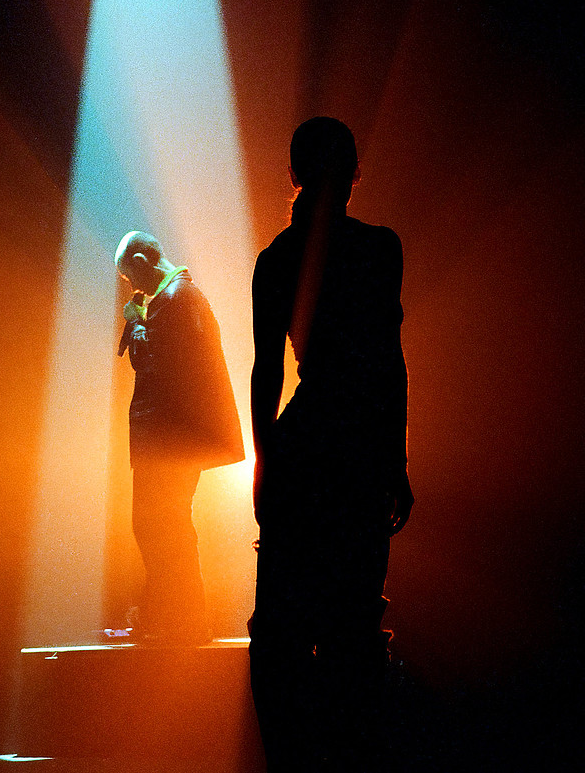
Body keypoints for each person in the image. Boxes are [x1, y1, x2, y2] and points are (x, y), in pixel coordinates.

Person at [248, 117, 414, 771]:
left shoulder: (276, 260)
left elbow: (266, 372)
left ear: (294, 174)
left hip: (305, 446)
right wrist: (395, 461)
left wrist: (267, 463)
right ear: (351, 175)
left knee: (281, 639)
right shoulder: (380, 250)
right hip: (359, 454)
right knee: (353, 634)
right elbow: (390, 362)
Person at [115, 231, 243, 643]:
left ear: (142, 260)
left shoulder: (173, 300)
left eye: (130, 277)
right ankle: (173, 617)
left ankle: (178, 620)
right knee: (165, 526)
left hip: (168, 441)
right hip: (173, 439)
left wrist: (136, 323)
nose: (133, 288)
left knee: (157, 526)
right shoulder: (181, 298)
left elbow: (153, 361)